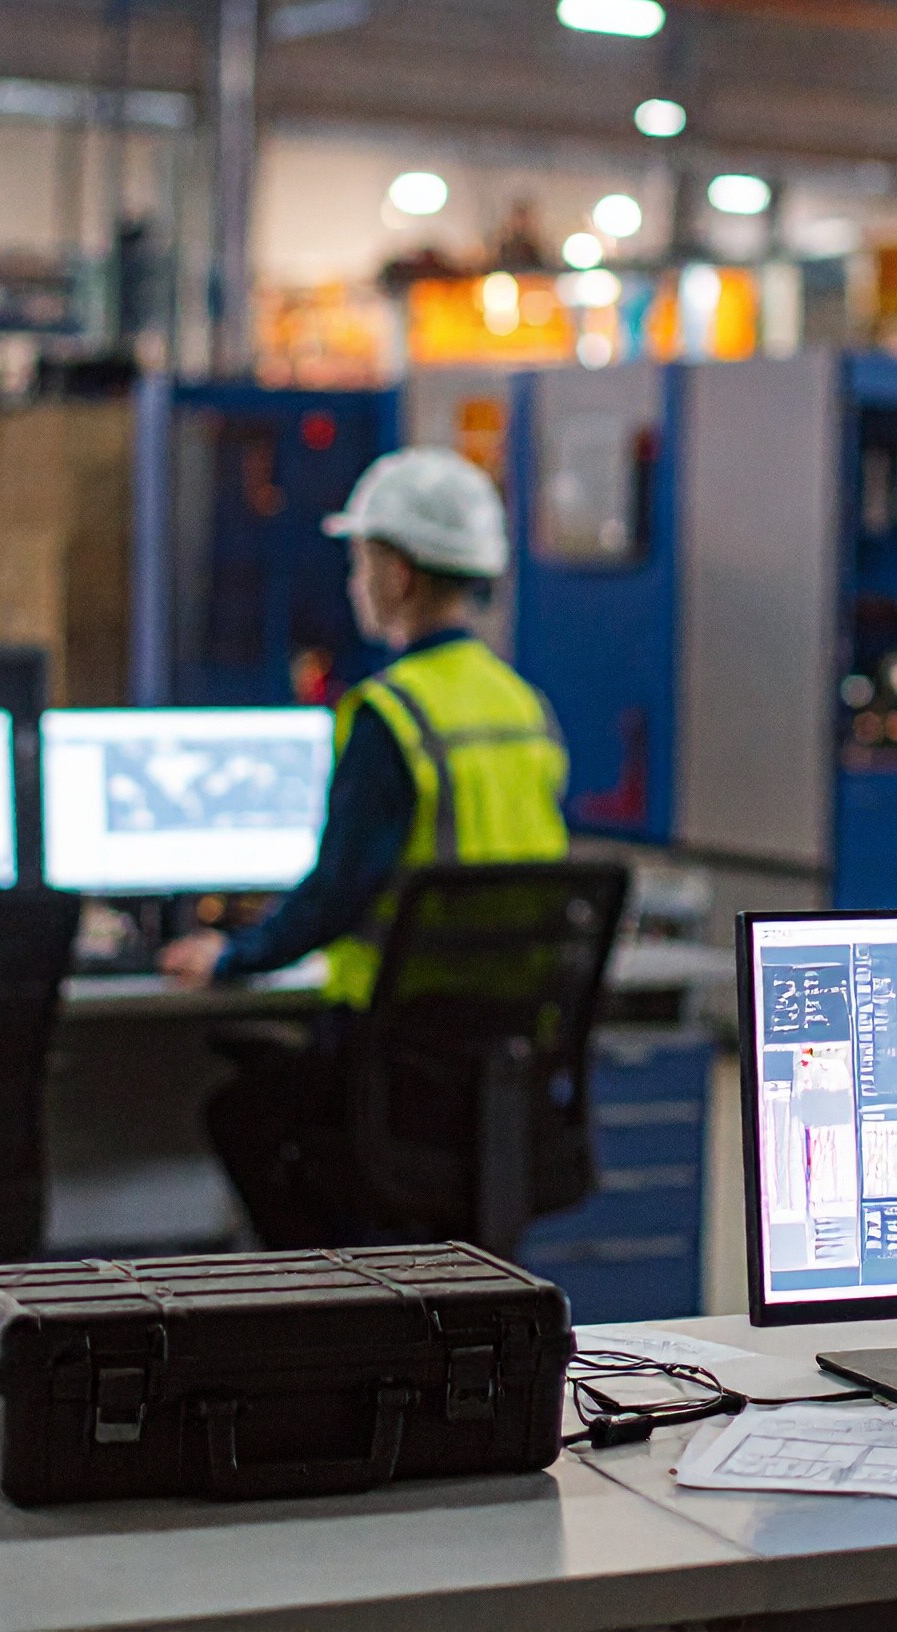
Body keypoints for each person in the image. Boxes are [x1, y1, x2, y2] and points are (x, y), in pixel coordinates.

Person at [159, 446, 568, 1241]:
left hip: (399, 1063)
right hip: (499, 1065)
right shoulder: (522, 704)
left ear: (400, 575)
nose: (354, 582)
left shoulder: (393, 714)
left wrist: (234, 954)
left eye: (361, 561)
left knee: (242, 1116)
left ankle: (337, 1307)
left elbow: (337, 895)